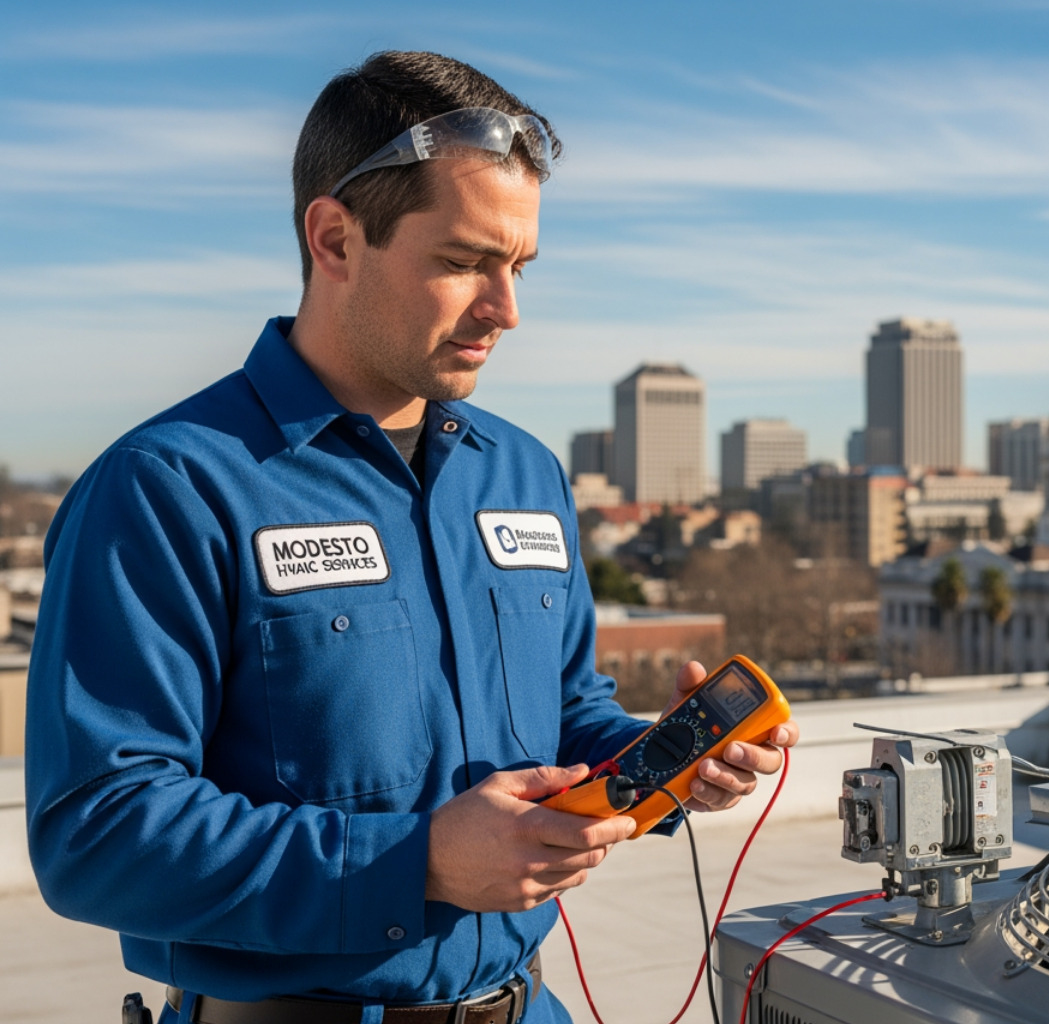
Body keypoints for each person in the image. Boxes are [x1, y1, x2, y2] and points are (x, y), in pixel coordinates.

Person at [25, 50, 798, 1024]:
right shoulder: (167, 487)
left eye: (517, 266)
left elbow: (563, 717)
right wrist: (417, 861)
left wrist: (658, 763)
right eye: (464, 261)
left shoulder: (521, 473)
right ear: (336, 238)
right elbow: (97, 834)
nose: (506, 311)